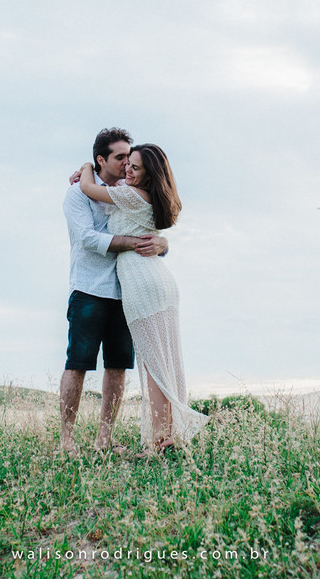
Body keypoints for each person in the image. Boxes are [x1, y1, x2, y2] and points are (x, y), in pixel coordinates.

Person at [79, 143, 208, 455]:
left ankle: (159, 441)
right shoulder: (145, 196)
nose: (127, 169)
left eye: (135, 167)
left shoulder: (132, 195)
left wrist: (86, 167)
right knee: (164, 361)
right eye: (128, 164)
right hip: (157, 280)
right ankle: (167, 435)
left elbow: (88, 188)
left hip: (142, 282)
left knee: (153, 364)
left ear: (149, 175)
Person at [60, 127, 167, 455]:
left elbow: (151, 229)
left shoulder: (130, 190)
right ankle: (66, 441)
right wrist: (136, 244)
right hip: (90, 288)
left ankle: (104, 440)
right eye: (120, 157)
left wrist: (162, 244)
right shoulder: (78, 193)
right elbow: (87, 239)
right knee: (77, 364)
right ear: (101, 159)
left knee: (118, 367)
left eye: (128, 157)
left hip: (126, 292)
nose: (126, 163)